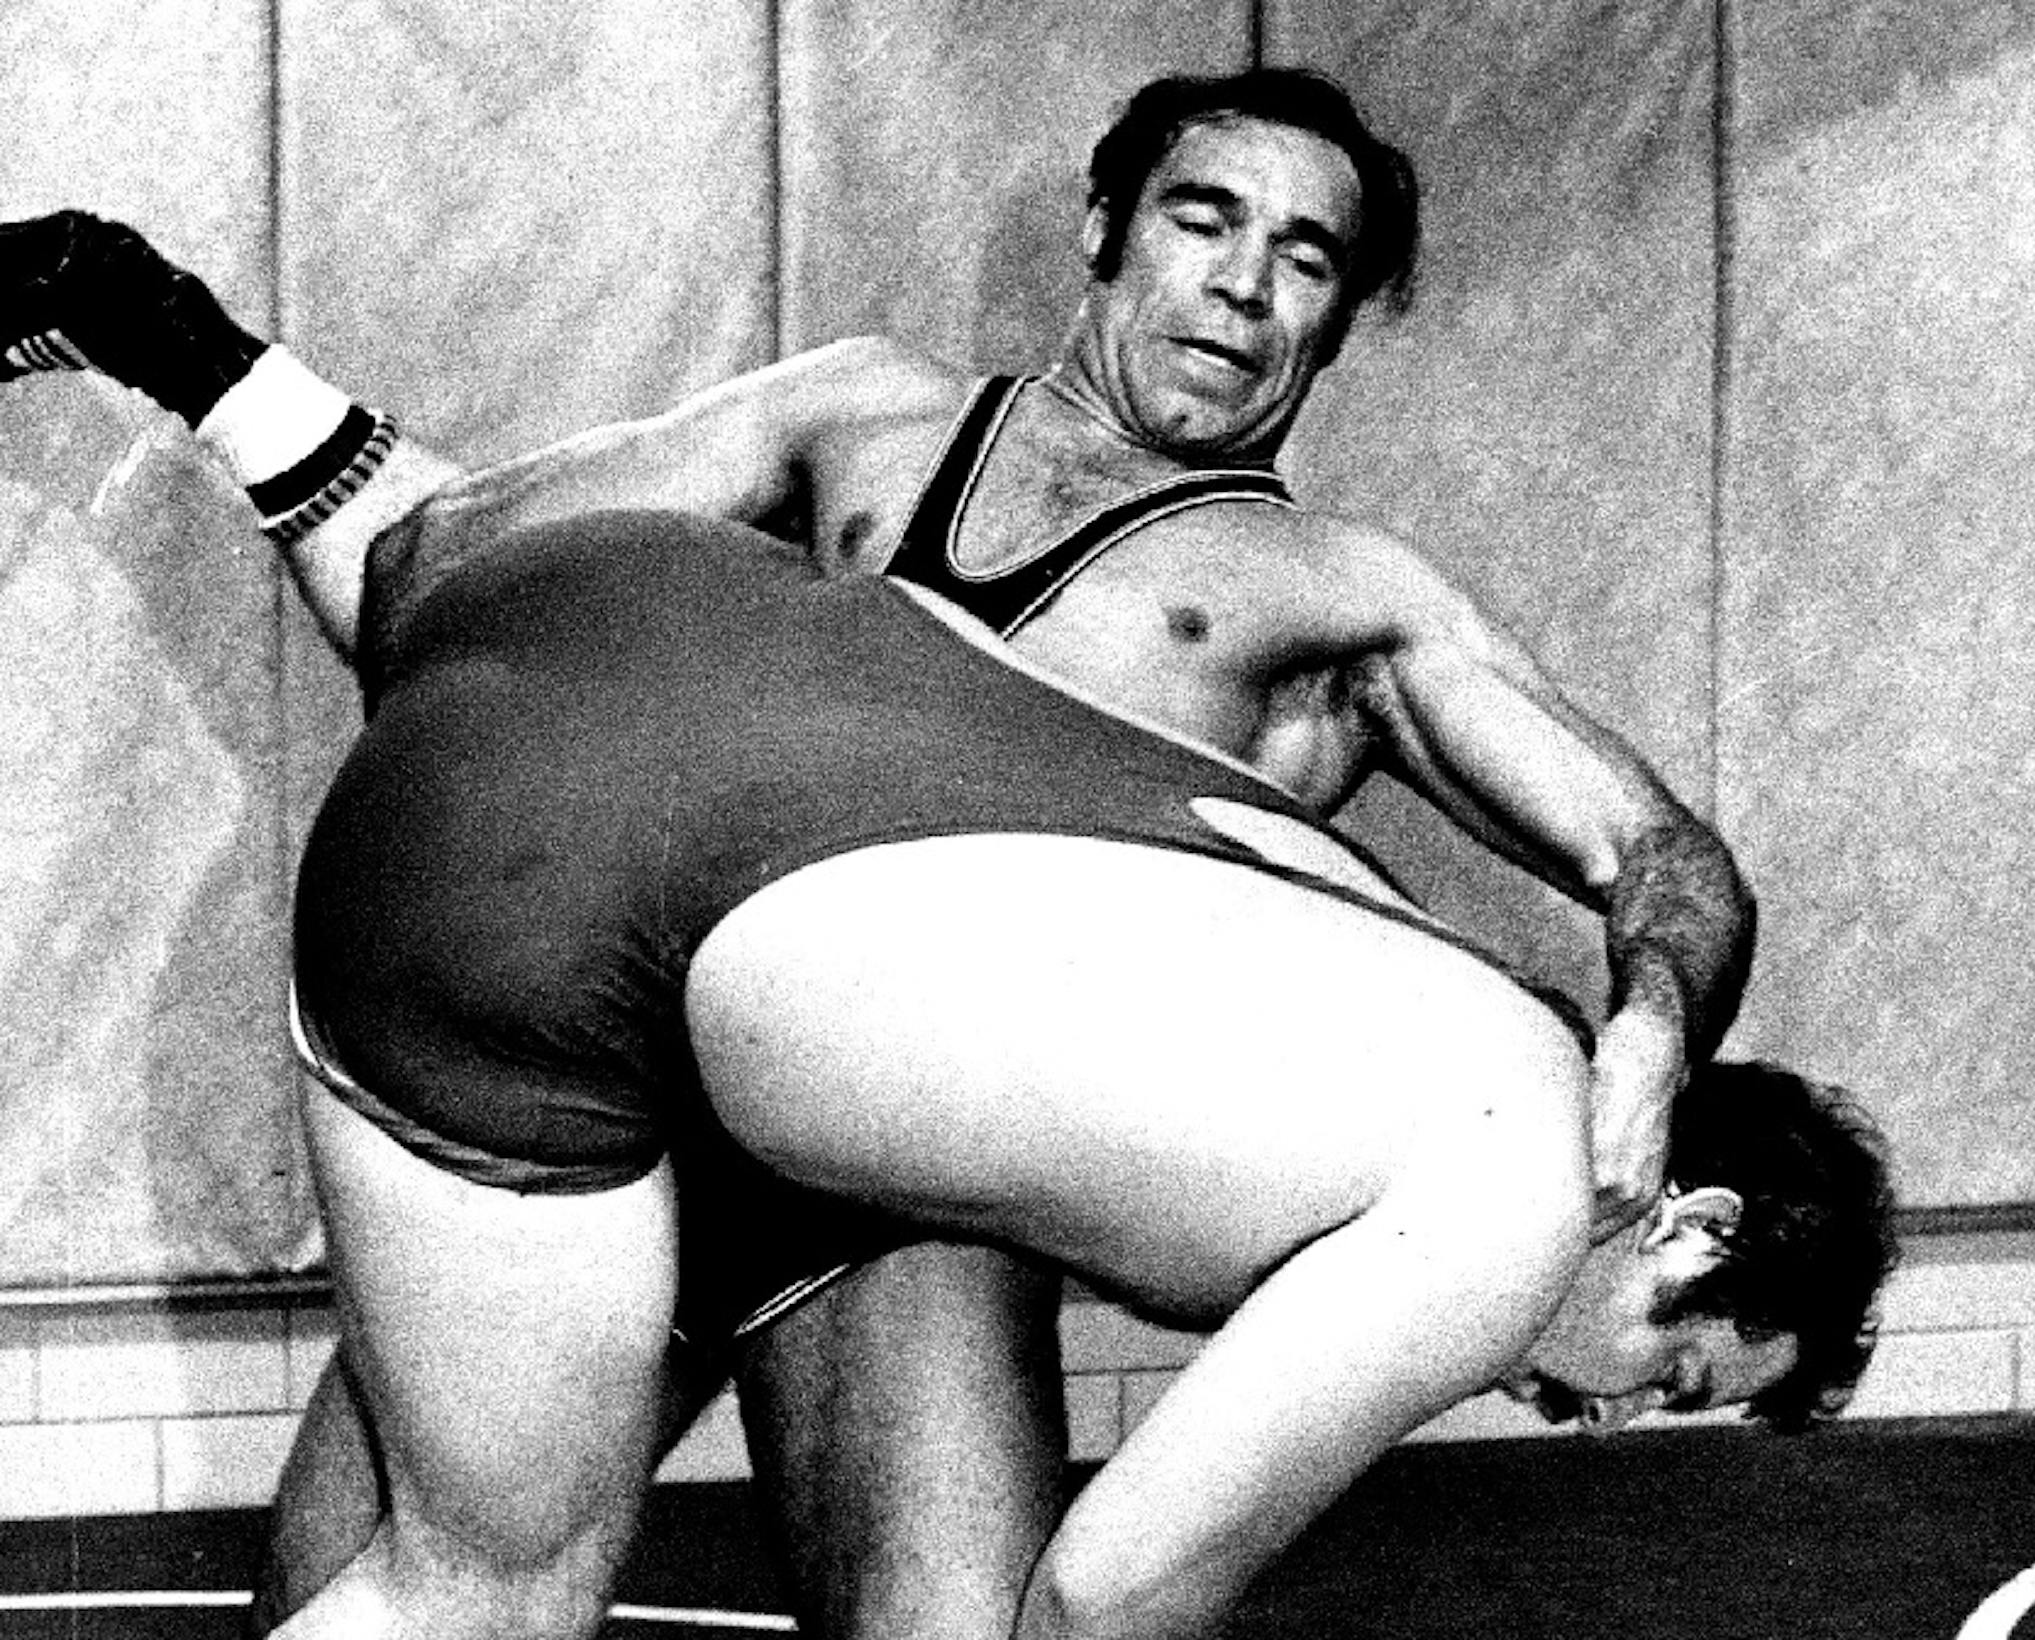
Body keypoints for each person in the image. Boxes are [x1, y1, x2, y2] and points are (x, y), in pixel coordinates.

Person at [5, 66, 1779, 1637]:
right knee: (356, 1589)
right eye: (1205, 219)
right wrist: (196, 362)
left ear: (1334, 326)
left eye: (1306, 259)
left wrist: (1651, 1024)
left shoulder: (1346, 601)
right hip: (616, 1049)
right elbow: (462, 585)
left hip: (899, 1191)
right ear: (1104, 230)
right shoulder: (863, 409)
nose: (1244, 284)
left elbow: (1662, 853)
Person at [279, 500, 1893, 1638]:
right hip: (606, 914)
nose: (1606, 1421)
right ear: (1688, 1221)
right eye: (1673, 1377)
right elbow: (1106, 1597)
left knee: (471, 1583)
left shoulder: (1387, 948)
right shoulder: (1525, 1189)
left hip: (589, 629)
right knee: (488, 1594)